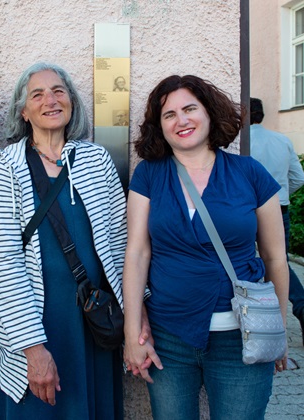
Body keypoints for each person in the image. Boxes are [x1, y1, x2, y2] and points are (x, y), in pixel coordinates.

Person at [123, 74, 289, 420]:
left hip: (241, 339)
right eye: (169, 115)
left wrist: (279, 331)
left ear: (210, 113)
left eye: (189, 109)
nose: (181, 120)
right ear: (161, 126)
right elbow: (137, 253)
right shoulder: (149, 175)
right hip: (169, 338)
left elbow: (275, 257)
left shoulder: (250, 173)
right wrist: (131, 333)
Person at [0, 62, 130, 419]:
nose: (50, 100)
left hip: (93, 319)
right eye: (37, 94)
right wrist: (31, 349)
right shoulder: (7, 165)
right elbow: (6, 261)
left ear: (71, 102)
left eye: (59, 91)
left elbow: (122, 243)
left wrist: (136, 319)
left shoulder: (96, 159)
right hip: (36, 317)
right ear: (23, 110)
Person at [250, 97, 304, 345]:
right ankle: (299, 304)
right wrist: (279, 197)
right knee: (278, 260)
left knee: (245, 259)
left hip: (245, 211)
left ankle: (253, 312)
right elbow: (298, 177)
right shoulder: (282, 140)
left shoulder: (240, 143)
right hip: (279, 208)